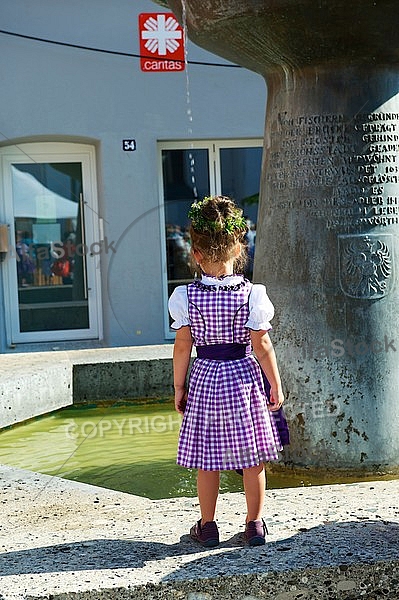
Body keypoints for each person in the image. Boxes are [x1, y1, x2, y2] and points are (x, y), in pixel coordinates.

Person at [168, 195, 285, 548]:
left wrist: (178, 387)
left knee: (208, 457)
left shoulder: (185, 297)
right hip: (244, 379)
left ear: (196, 253)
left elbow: (182, 347)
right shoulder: (253, 295)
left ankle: (207, 526)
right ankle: (254, 525)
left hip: (205, 378)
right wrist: (276, 385)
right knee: (252, 457)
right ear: (239, 249)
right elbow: (262, 346)